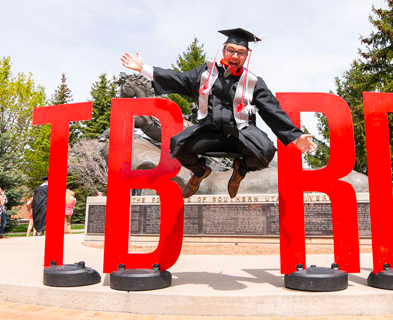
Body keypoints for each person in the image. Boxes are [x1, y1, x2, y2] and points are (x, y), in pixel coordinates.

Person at [121, 28, 316, 198]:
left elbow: (272, 109)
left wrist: (295, 136)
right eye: (231, 50)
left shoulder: (253, 82)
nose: (235, 56)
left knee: (266, 151)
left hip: (240, 133)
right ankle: (200, 172)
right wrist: (143, 68)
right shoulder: (204, 74)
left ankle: (240, 170)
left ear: (246, 56)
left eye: (241, 53)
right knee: (176, 144)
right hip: (210, 131)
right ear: (223, 51)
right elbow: (177, 79)